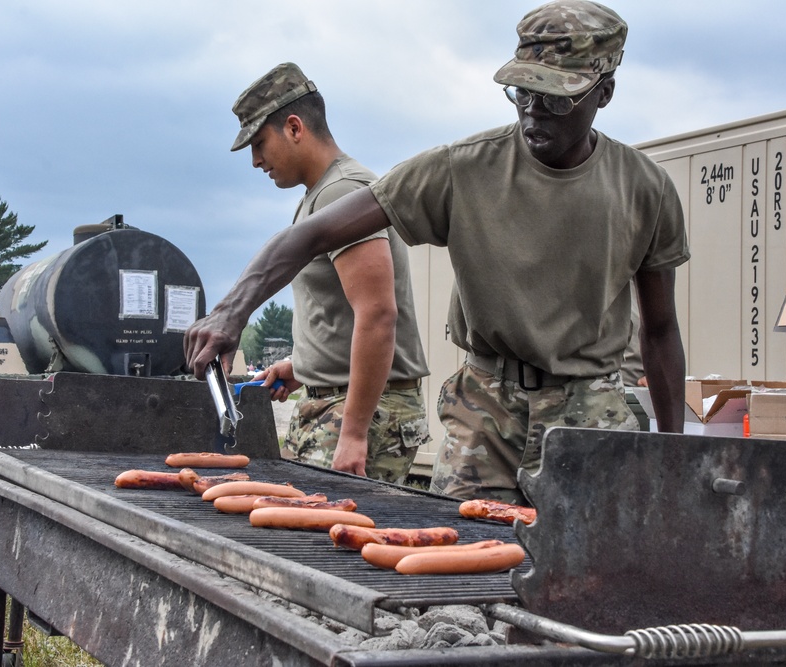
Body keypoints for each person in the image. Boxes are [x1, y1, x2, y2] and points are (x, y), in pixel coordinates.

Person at [185, 1, 689, 504]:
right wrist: (233, 309)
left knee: (588, 564)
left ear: (604, 93)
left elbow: (662, 332)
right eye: (523, 93)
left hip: (590, 414)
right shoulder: (463, 169)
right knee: (460, 548)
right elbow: (311, 235)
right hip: (485, 414)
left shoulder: (646, 190)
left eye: (556, 99)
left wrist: (673, 454)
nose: (534, 112)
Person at [225, 62, 431, 483]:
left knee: (328, 539)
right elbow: (343, 316)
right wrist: (301, 367)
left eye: (259, 142)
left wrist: (353, 433)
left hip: (362, 413)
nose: (256, 160)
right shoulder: (319, 196)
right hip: (338, 405)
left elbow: (377, 314)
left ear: (295, 128)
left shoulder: (342, 191)